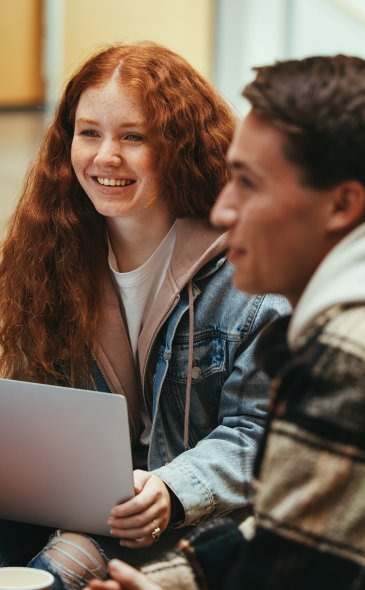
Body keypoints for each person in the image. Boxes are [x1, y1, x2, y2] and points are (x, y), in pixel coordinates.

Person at [91, 53, 365, 589]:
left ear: (342, 204)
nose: (223, 210)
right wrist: (179, 579)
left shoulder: (364, 360)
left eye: (249, 183)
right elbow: (298, 524)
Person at [0, 42, 289, 589]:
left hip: (193, 514)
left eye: (133, 137)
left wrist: (172, 490)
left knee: (58, 570)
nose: (105, 156)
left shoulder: (251, 273)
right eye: (89, 133)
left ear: (183, 147)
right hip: (78, 499)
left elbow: (261, 434)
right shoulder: (53, 254)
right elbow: (33, 407)